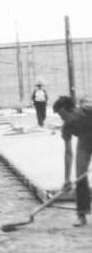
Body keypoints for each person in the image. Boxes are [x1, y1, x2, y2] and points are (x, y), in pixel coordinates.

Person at [52, 95, 92, 227]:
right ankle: (82, 215)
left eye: (63, 115)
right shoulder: (67, 127)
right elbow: (68, 153)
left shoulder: (88, 110)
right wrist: (67, 179)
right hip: (84, 143)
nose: (62, 119)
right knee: (80, 176)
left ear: (72, 110)